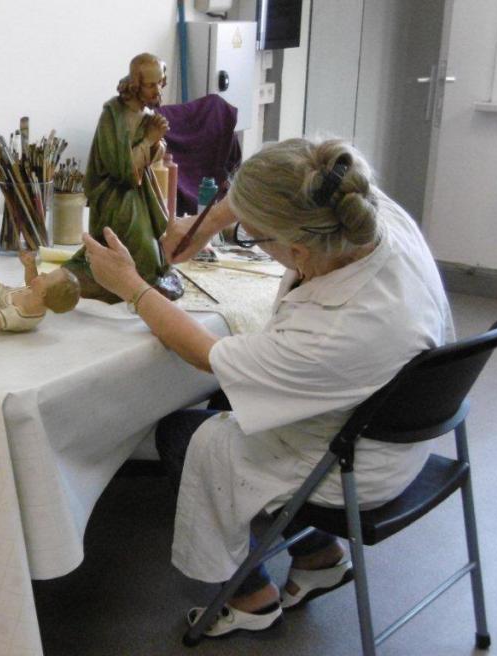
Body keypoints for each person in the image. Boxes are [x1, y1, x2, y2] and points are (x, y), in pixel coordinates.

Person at [81, 138, 454, 638]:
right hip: (394, 429)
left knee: (182, 430)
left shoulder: (339, 331)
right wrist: (206, 224)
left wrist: (133, 287)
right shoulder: (361, 209)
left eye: (255, 238)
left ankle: (249, 595)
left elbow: (204, 355)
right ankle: (319, 556)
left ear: (297, 250)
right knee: (238, 397)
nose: (250, 238)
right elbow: (286, 179)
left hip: (356, 468)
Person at [64, 52, 183, 303]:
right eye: (151, 85)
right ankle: (117, 280)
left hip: (139, 193)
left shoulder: (145, 113)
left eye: (160, 82)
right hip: (116, 196)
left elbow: (152, 156)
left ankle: (139, 281)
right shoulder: (113, 115)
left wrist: (155, 141)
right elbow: (120, 169)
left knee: (154, 254)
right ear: (136, 84)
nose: (158, 90)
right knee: (143, 252)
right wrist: (150, 139)